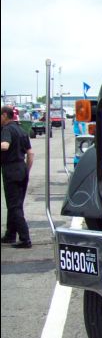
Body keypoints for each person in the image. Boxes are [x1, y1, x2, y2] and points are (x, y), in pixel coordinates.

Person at [1, 104, 35, 248]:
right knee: (16, 204)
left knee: (14, 206)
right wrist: (26, 170)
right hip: (21, 169)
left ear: (4, 115)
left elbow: (4, 146)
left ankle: (25, 238)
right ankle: (10, 235)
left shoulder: (7, 129)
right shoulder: (21, 130)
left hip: (11, 169)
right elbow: (31, 153)